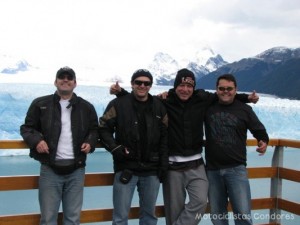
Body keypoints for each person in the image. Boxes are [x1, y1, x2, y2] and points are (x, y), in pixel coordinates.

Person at [110, 68, 258, 225]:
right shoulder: (164, 101)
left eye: (189, 86)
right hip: (173, 166)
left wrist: (247, 98)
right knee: (174, 211)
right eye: (181, 85)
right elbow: (142, 98)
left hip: (196, 164)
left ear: (193, 87)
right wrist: (121, 93)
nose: (185, 90)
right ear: (175, 86)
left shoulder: (202, 99)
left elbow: (224, 94)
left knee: (201, 201)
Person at [20, 66, 99, 225]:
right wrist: (37, 141)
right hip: (50, 168)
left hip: (76, 169)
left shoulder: (86, 107)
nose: (65, 80)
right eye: (61, 77)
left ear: (75, 83)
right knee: (48, 219)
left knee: (73, 219)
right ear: (55, 82)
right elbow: (27, 128)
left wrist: (90, 142)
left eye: (69, 78)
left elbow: (95, 130)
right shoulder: (40, 104)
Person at [99, 69, 168, 225]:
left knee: (149, 216)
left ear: (150, 85)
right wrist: (115, 149)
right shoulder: (118, 104)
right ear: (132, 84)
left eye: (146, 83)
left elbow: (165, 137)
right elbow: (103, 127)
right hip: (126, 167)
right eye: (138, 82)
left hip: (151, 170)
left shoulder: (159, 106)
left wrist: (163, 164)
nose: (142, 85)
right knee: (120, 217)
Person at [204, 74, 269, 225]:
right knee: (217, 216)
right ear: (216, 90)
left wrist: (263, 141)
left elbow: (259, 130)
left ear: (235, 90)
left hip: (236, 169)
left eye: (229, 89)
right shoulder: (208, 107)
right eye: (222, 88)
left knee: (243, 215)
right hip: (212, 170)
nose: (225, 91)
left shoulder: (244, 109)